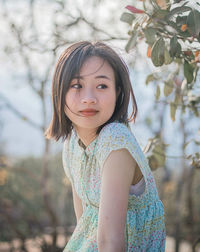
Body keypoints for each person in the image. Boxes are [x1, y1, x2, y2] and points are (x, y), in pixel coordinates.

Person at [45, 41, 166, 252]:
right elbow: (84, 225)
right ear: (59, 92)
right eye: (76, 85)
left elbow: (110, 242)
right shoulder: (73, 144)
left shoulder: (115, 140)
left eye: (102, 86)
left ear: (118, 92)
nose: (89, 99)